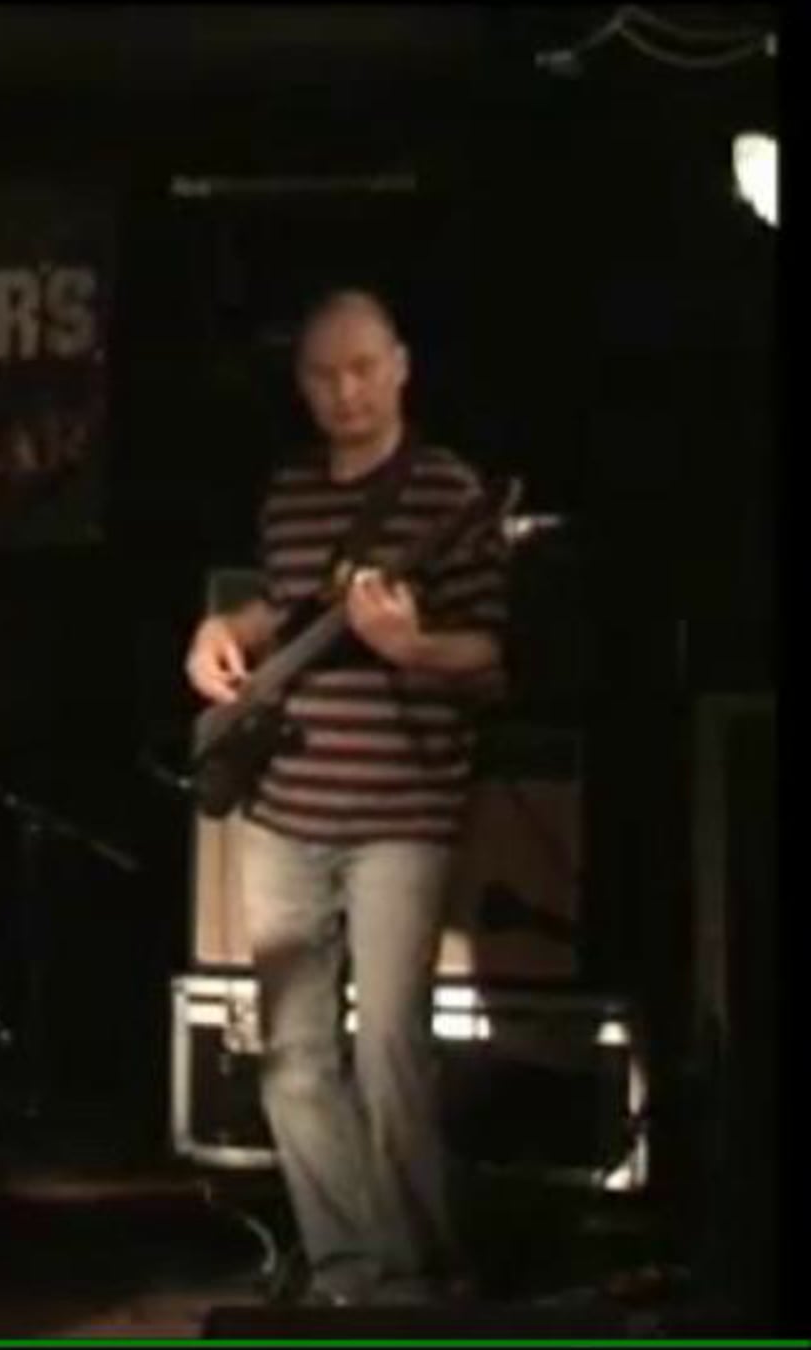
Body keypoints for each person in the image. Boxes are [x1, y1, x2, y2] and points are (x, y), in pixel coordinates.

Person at [184, 289, 508, 1306]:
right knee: (292, 1053)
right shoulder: (291, 493)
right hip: (285, 806)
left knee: (391, 1049)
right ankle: (346, 1273)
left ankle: (414, 1274)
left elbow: (492, 657)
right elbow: (287, 604)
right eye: (325, 376)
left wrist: (413, 646)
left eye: (364, 369)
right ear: (301, 385)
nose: (347, 392)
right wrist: (220, 632)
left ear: (401, 366)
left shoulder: (450, 493)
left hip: (402, 813)